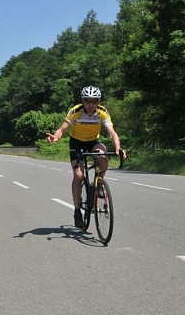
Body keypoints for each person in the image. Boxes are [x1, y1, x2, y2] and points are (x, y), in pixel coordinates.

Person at [46, 85, 126, 229]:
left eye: (93, 101)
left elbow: (112, 132)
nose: (90, 105)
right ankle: (77, 211)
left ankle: (99, 183)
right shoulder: (75, 111)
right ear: (83, 101)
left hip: (93, 142)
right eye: (87, 101)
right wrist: (56, 138)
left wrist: (118, 148)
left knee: (103, 157)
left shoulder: (102, 113)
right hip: (76, 142)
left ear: (98, 102)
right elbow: (62, 129)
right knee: (78, 175)